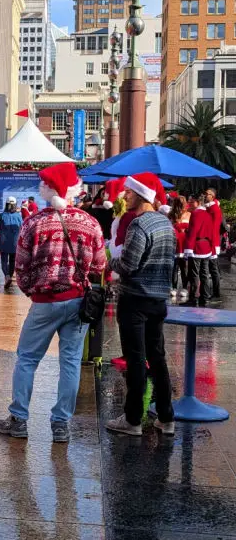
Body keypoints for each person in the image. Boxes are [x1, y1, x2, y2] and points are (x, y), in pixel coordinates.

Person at [0, 163, 106, 444]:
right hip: (79, 300)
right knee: (70, 362)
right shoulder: (89, 222)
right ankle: (60, 424)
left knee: (27, 359)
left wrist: (32, 291)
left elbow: (20, 266)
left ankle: (19, 419)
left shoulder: (34, 222)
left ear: (47, 189)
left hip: (45, 302)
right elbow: (100, 264)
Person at [106, 175, 176, 436]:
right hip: (158, 300)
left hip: (135, 300)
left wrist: (111, 260)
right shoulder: (166, 224)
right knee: (157, 357)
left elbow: (128, 265)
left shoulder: (139, 225)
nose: (124, 197)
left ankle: (133, 419)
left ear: (141, 195)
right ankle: (166, 417)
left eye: (128, 193)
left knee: (136, 359)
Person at [182, 194, 214, 308]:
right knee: (204, 273)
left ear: (198, 202)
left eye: (191, 202)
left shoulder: (196, 214)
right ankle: (204, 297)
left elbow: (193, 231)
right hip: (206, 246)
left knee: (194, 273)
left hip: (196, 247)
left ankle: (193, 298)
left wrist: (188, 248)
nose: (189, 204)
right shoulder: (207, 214)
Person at [0, 197, 23, 289]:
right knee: (12, 261)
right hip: (14, 243)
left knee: (4, 261)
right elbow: (22, 227)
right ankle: (10, 277)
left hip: (3, 242)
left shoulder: (1, 215)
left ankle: (7, 276)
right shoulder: (18, 216)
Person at [169, 195, 190, 302]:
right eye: (180, 204)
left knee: (184, 268)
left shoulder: (189, 214)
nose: (182, 206)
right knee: (174, 267)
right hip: (174, 244)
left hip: (185, 244)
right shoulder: (171, 215)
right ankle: (173, 287)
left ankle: (185, 287)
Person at [205, 188, 223, 300]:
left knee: (213, 269)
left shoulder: (214, 208)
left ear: (212, 196)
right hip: (211, 241)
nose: (205, 195)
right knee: (211, 268)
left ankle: (216, 293)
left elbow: (213, 227)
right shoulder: (211, 208)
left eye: (207, 194)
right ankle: (214, 292)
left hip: (212, 241)